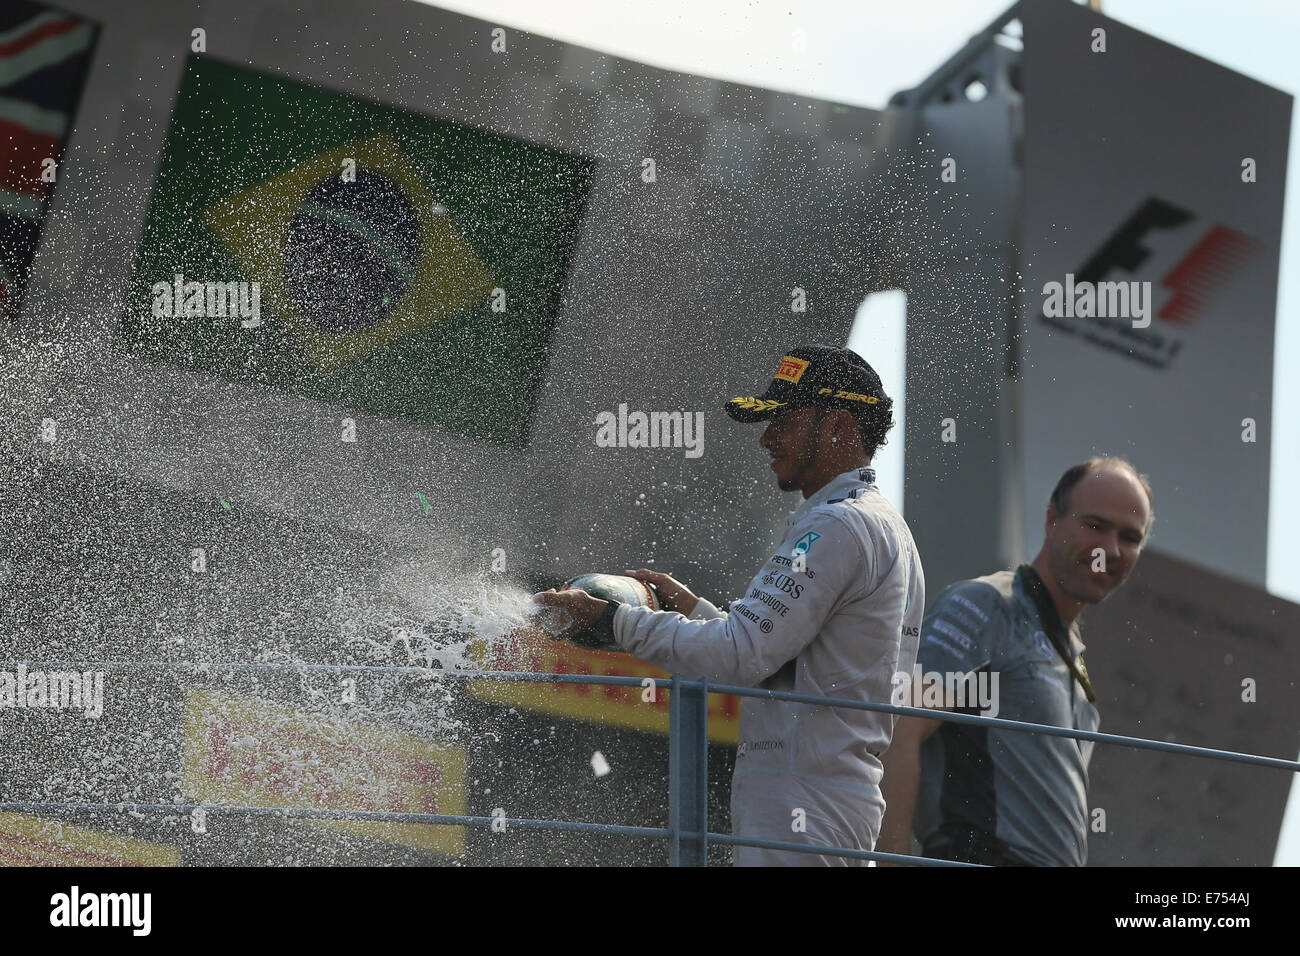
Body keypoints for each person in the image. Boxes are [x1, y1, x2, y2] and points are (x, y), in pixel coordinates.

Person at [537, 344, 925, 865]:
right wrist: (696, 612)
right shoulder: (883, 525)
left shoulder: (835, 525)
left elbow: (739, 657)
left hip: (800, 804)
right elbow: (780, 662)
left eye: (784, 420)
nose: (767, 438)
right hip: (827, 801)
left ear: (839, 426)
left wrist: (612, 619)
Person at [877, 457, 1154, 866]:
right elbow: (898, 729)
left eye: (1129, 537)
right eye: (1095, 526)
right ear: (1051, 520)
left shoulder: (1071, 655)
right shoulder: (989, 606)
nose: (1109, 550)